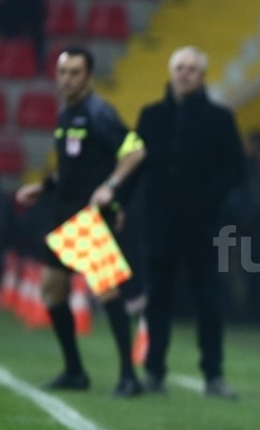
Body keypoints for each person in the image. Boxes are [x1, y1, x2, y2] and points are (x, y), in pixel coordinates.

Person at [15, 46, 146, 396]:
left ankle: (128, 376)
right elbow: (73, 167)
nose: (67, 79)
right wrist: (42, 187)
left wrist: (110, 186)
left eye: (75, 72)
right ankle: (74, 371)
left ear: (88, 77)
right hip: (64, 211)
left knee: (106, 291)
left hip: (89, 215)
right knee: (52, 291)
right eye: (63, 72)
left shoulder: (98, 112)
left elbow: (135, 150)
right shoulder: (66, 113)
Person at [135, 46, 244, 398]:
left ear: (202, 75)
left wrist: (207, 202)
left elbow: (235, 168)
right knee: (157, 300)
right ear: (170, 73)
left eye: (191, 68)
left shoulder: (219, 118)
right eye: (179, 67)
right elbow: (136, 166)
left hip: (201, 228)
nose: (184, 73)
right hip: (159, 224)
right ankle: (153, 372)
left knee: (208, 301)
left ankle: (213, 375)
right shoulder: (150, 116)